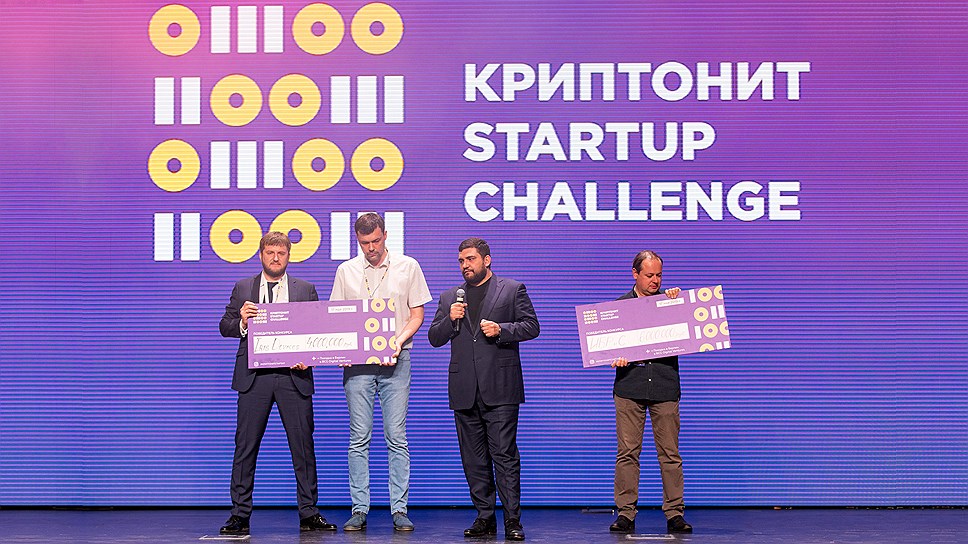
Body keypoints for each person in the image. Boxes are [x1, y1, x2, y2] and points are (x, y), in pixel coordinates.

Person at [217, 231, 336, 535]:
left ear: (288, 257)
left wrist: (308, 356)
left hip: (293, 377)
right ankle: (239, 515)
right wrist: (242, 321)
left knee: (303, 447)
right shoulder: (243, 287)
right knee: (245, 447)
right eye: (270, 252)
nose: (275, 258)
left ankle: (309, 513)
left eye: (281, 253)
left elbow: (317, 332)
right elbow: (225, 326)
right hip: (254, 378)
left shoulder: (305, 289)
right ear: (261, 255)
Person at [428, 238, 539, 541]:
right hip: (464, 389)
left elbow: (532, 326)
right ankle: (484, 517)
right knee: (473, 459)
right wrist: (450, 319)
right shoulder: (450, 297)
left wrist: (502, 329)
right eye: (461, 261)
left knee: (504, 455)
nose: (465, 265)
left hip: (500, 387)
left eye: (471, 259)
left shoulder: (512, 289)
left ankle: (512, 520)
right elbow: (434, 337)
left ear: (486, 260)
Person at [330, 213, 432, 532]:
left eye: (375, 241)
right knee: (358, 437)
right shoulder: (346, 271)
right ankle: (359, 508)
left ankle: (399, 508)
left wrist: (396, 342)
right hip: (358, 365)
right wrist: (340, 349)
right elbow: (336, 317)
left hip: (397, 361)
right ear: (357, 241)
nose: (371, 248)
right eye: (365, 243)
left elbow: (417, 315)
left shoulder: (408, 266)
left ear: (385, 235)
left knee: (396, 436)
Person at [608, 250, 693, 535]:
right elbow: (606, 350)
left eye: (659, 275)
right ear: (635, 274)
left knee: (670, 453)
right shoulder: (618, 308)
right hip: (629, 386)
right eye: (649, 275)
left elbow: (692, 330)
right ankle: (625, 513)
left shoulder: (671, 303)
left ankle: (675, 513)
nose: (655, 280)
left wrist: (679, 303)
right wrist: (615, 358)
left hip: (664, 386)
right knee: (627, 453)